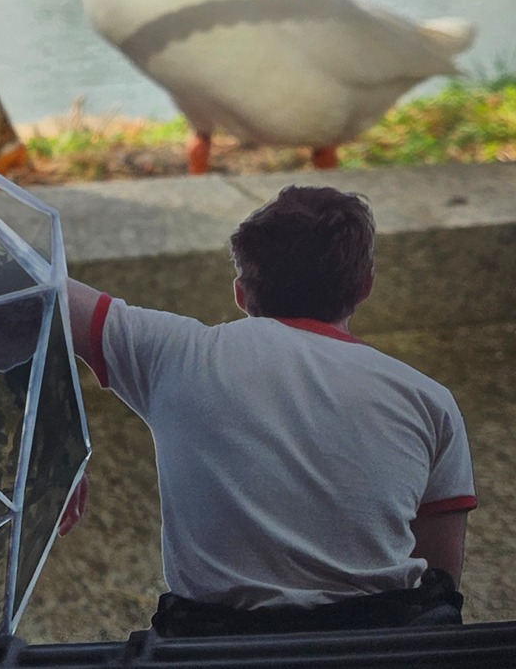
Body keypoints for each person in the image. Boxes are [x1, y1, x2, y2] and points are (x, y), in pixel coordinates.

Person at [66, 184, 475, 637]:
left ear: (241, 292)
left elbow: (36, 291)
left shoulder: (177, 354)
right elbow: (440, 580)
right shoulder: (429, 401)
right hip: (379, 647)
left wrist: (58, 442)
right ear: (365, 286)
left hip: (209, 645)